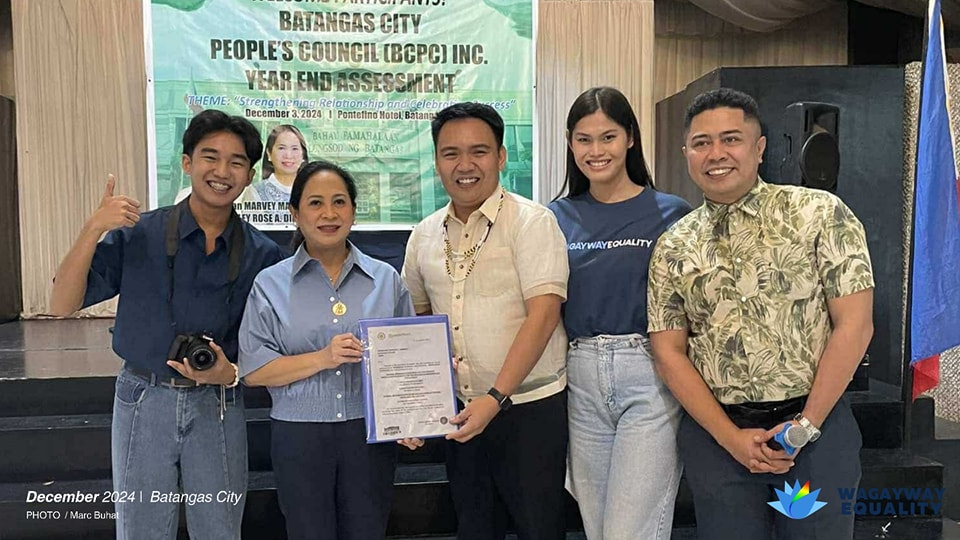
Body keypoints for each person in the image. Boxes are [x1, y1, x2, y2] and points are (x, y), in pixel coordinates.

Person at [647, 88, 874, 540]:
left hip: (815, 432)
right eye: (701, 143)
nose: (716, 154)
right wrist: (729, 438)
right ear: (686, 153)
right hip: (719, 440)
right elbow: (668, 352)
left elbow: (855, 323)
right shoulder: (673, 245)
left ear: (760, 147)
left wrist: (805, 426)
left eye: (731, 139)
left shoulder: (819, 214)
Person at [48, 109, 286, 540]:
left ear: (249, 176)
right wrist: (93, 228)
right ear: (187, 163)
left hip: (218, 402)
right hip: (145, 396)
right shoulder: (142, 234)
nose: (222, 171)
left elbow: (269, 345)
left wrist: (230, 372)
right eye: (210, 157)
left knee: (219, 530)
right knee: (141, 529)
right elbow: (62, 304)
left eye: (236, 162)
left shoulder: (262, 253)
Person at [402, 102, 570, 540]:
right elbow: (419, 320)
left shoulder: (532, 222)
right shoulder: (423, 234)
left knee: (539, 528)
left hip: (529, 411)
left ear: (501, 156)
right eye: (450, 153)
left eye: (478, 151)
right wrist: (417, 404)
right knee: (475, 527)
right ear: (436, 161)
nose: (465, 165)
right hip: (461, 413)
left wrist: (496, 397)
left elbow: (544, 314)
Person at [238, 160, 420, 540]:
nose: (329, 214)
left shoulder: (386, 280)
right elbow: (254, 370)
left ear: (353, 210)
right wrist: (323, 358)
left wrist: (412, 417)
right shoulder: (270, 284)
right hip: (299, 437)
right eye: (315, 203)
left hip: (368, 435)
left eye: (339, 202)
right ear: (295, 213)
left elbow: (407, 360)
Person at [548, 87, 691, 540]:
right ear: (570, 144)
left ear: (630, 137)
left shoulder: (672, 213)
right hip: (579, 377)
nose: (596, 150)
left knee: (629, 531)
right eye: (584, 139)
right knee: (598, 528)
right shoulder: (554, 217)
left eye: (607, 137)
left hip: (649, 374)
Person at [250, 124, 309, 203]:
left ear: (303, 155)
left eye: (294, 148)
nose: (288, 155)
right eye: (281, 148)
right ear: (269, 153)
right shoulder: (254, 192)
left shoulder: (313, 190)